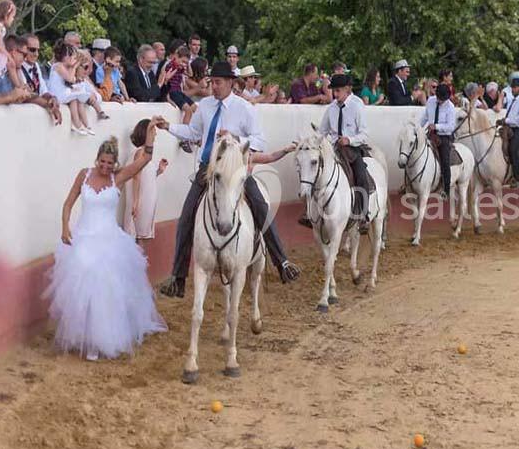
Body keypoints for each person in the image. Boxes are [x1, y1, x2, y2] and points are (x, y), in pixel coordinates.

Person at [155, 61, 300, 298]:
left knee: (259, 205)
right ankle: (178, 277)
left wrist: (235, 136)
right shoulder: (205, 106)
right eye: (212, 82)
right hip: (208, 167)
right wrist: (168, 127)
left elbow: (259, 141)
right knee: (186, 217)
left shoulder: (245, 108)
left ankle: (281, 261)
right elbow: (193, 133)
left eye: (218, 82)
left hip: (235, 167)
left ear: (231, 83)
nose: (213, 86)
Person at [45, 127, 168, 361]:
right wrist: (64, 227)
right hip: (83, 238)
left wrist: (150, 135)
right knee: (83, 288)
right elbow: (68, 203)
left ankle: (102, 340)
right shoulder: (84, 175)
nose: (105, 167)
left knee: (106, 290)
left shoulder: (117, 178)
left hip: (110, 240)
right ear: (96, 159)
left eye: (109, 163)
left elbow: (145, 160)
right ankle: (86, 337)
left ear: (114, 164)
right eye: (102, 162)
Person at [316, 73, 371, 231]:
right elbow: (322, 132)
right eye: (334, 90)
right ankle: (311, 213)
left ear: (347, 89)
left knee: (361, 177)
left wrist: (349, 140)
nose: (335, 94)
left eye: (338, 90)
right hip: (334, 149)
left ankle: (363, 214)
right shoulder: (331, 108)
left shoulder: (357, 105)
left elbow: (364, 133)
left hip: (352, 150)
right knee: (316, 175)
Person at [124, 119, 168, 241]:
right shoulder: (140, 153)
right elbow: (136, 177)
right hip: (140, 202)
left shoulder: (146, 153)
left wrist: (159, 171)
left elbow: (146, 177)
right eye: (153, 130)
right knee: (138, 237)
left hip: (146, 201)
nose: (155, 134)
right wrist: (136, 202)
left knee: (142, 237)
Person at [5, 35, 62, 124]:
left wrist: (52, 98)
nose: (36, 54)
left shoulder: (35, 66)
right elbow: (26, 96)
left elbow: (43, 91)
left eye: (38, 50)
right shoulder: (17, 66)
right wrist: (48, 104)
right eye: (32, 50)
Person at [47, 41, 95, 135]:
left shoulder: (65, 67)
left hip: (63, 92)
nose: (74, 58)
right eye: (72, 55)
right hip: (57, 94)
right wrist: (75, 66)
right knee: (74, 98)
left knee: (78, 100)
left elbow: (72, 79)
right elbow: (70, 79)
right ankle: (77, 124)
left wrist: (73, 66)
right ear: (65, 57)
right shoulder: (58, 66)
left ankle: (84, 124)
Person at [421, 83, 456, 200]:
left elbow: (451, 126)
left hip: (443, 136)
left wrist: (436, 126)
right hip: (430, 134)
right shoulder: (430, 101)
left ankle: (446, 189)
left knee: (445, 161)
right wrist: (418, 129)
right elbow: (425, 117)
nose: (439, 101)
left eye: (442, 99)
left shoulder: (450, 107)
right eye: (438, 98)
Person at [502, 71, 519, 188]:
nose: (512, 90)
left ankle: (516, 178)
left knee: (513, 148)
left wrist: (506, 121)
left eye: (514, 88)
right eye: (512, 87)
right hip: (511, 127)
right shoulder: (513, 100)